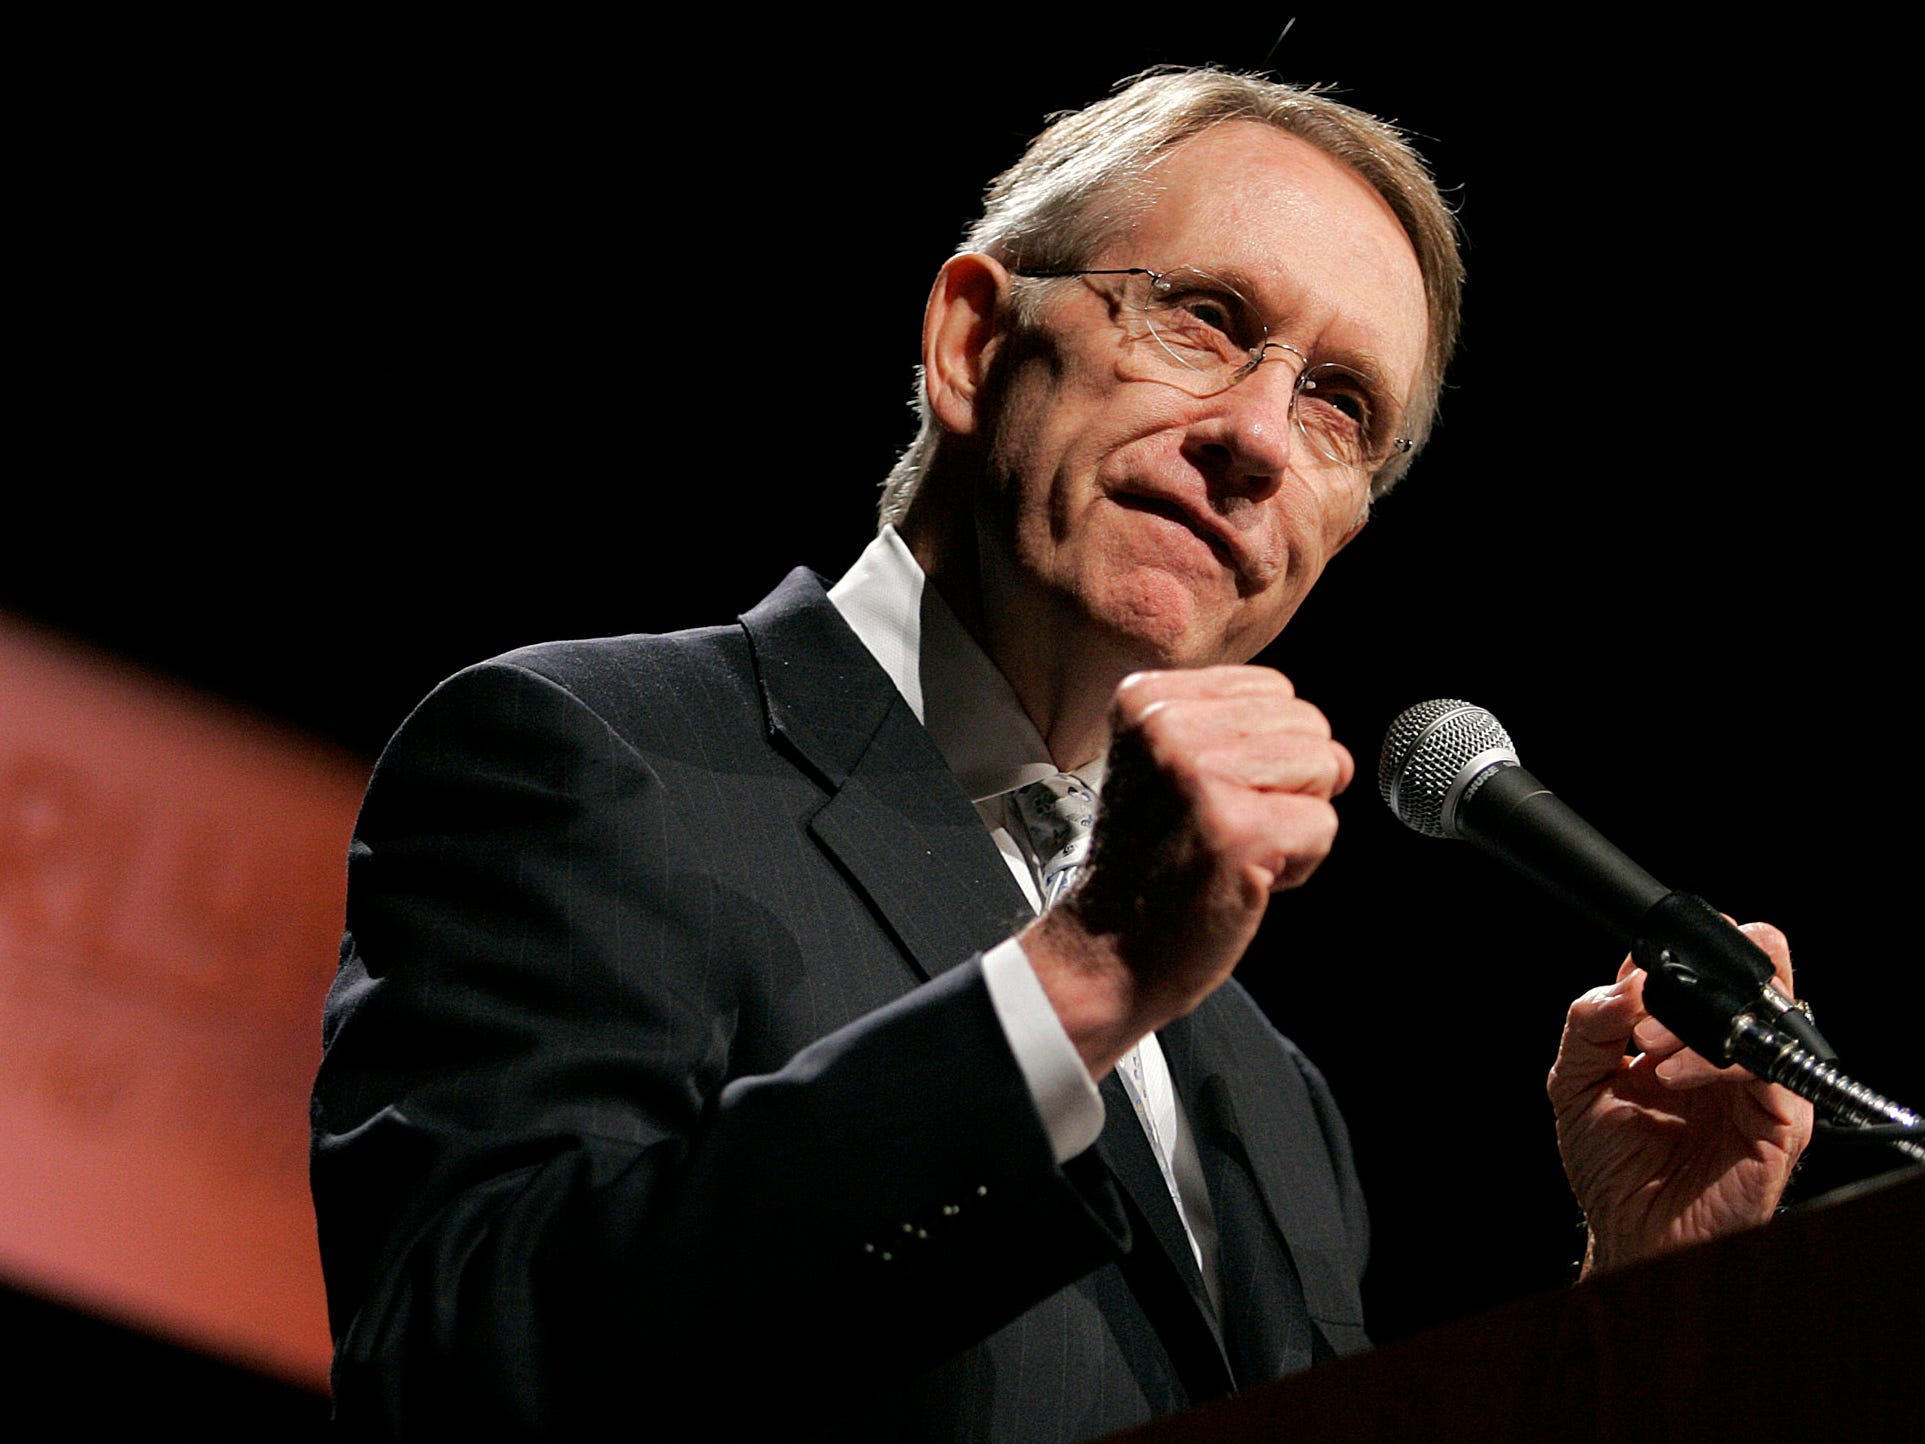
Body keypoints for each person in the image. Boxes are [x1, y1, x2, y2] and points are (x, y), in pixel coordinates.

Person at [310, 67, 1812, 1440]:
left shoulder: (1267, 1100)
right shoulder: (595, 758)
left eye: (1340, 405)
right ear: (973, 340)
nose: (1259, 440)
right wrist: (1079, 981)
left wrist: (1637, 1302)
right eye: (1207, 318)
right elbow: (460, 1370)